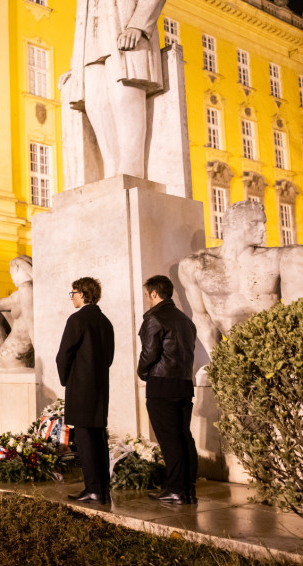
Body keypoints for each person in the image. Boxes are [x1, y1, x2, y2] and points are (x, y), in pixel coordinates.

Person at [179, 201, 303, 356]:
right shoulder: (195, 265)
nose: (263, 229)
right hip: (235, 354)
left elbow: (296, 311)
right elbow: (201, 317)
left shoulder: (283, 258)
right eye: (255, 222)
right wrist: (216, 360)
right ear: (233, 225)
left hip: (276, 349)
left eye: (263, 223)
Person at [60, 0, 166, 179]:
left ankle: (132, 172)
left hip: (124, 20)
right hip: (91, 33)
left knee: (123, 94)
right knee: (95, 102)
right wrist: (75, 66)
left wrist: (139, 24)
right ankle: (113, 172)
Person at [137, 275, 198, 504]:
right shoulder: (185, 320)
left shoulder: (154, 318)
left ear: (154, 293)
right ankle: (188, 489)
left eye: (147, 295)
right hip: (183, 384)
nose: (147, 299)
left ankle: (175, 490)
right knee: (184, 437)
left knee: (170, 440)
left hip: (162, 385)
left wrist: (142, 372)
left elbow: (149, 353)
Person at [56, 277, 115, 503]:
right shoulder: (105, 322)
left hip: (81, 387)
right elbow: (108, 358)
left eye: (73, 293)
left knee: (84, 439)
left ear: (82, 293)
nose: (71, 298)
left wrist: (66, 380)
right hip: (100, 387)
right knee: (99, 438)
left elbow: (64, 355)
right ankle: (103, 489)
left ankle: (92, 489)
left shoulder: (77, 319)